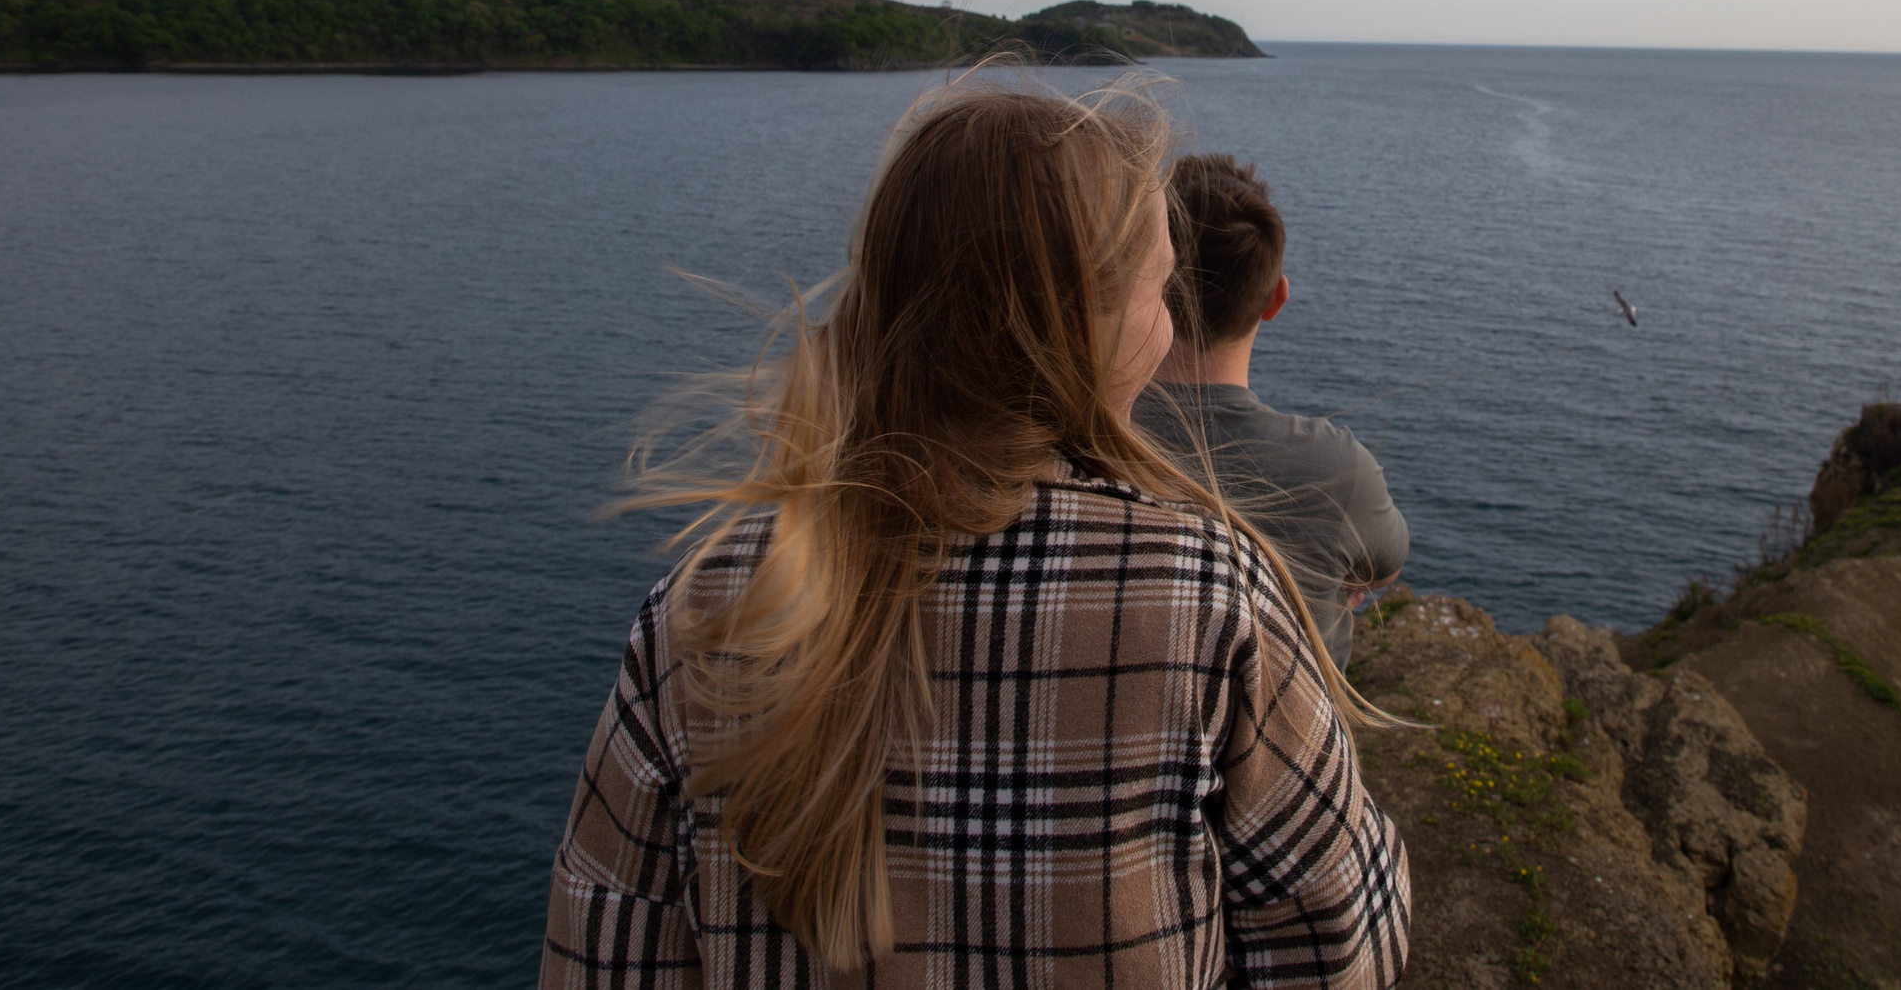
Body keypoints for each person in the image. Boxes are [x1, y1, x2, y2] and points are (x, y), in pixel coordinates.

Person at [542, 79, 1408, 989]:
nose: (1167, 325)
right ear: (1084, 331)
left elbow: (598, 954)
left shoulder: (711, 607)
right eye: (1158, 292)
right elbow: (1344, 942)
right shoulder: (1206, 595)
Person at [1135, 155, 1408, 669]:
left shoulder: (1073, 434)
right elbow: (1382, 568)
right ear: (1275, 299)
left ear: (1148, 286)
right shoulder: (1340, 471)